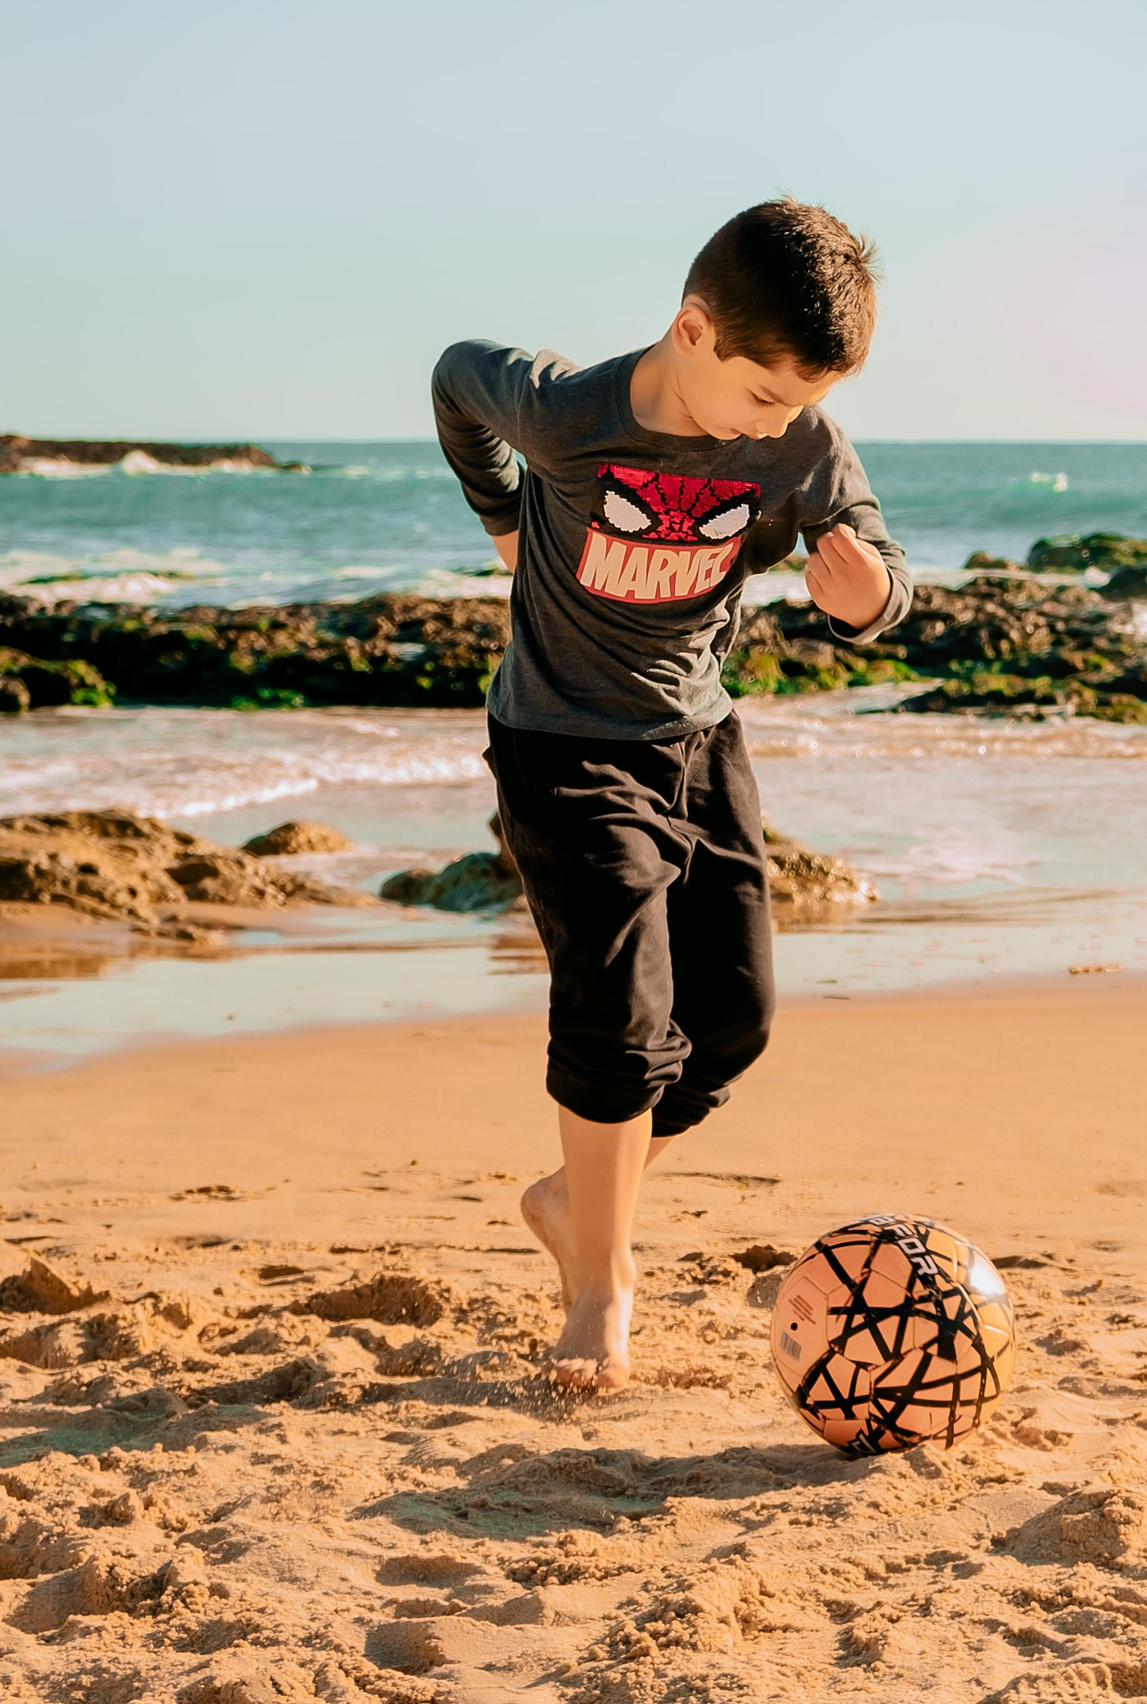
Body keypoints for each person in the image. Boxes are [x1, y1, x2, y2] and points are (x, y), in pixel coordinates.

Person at [431, 198, 911, 1392]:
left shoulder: (800, 441)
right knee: (620, 1021)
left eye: (804, 402)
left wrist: (862, 596)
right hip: (558, 743)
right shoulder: (564, 413)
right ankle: (602, 1286)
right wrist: (504, 518)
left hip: (695, 739)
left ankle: (571, 1196)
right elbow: (452, 379)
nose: (782, 424)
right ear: (692, 330)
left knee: (731, 1026)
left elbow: (878, 570)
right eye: (764, 396)